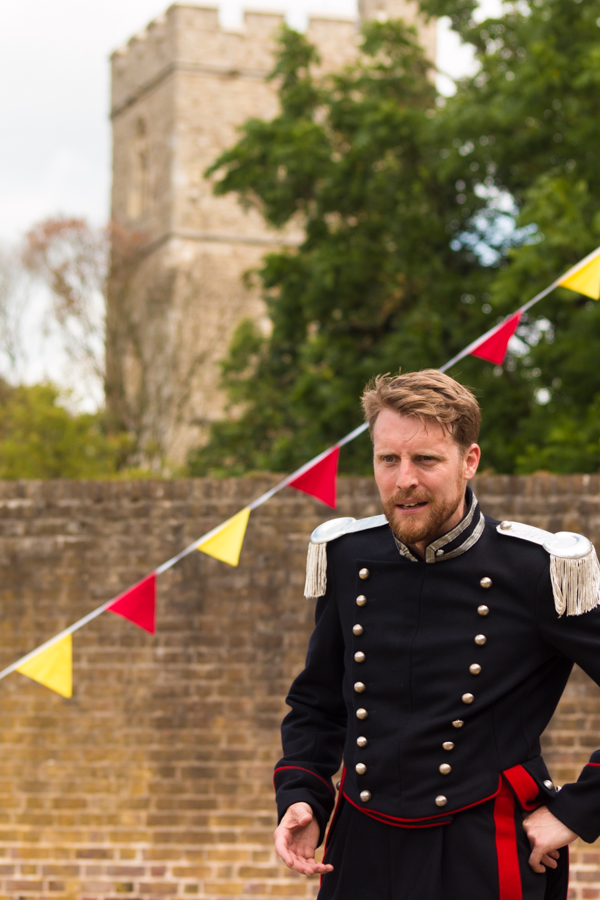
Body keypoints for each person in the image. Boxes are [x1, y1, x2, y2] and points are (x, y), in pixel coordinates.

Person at [272, 370, 600, 900]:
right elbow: (317, 702)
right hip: (360, 844)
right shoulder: (349, 555)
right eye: (388, 459)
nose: (404, 479)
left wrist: (576, 811)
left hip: (485, 846)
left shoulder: (539, 569)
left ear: (469, 461)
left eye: (425, 459)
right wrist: (302, 795)